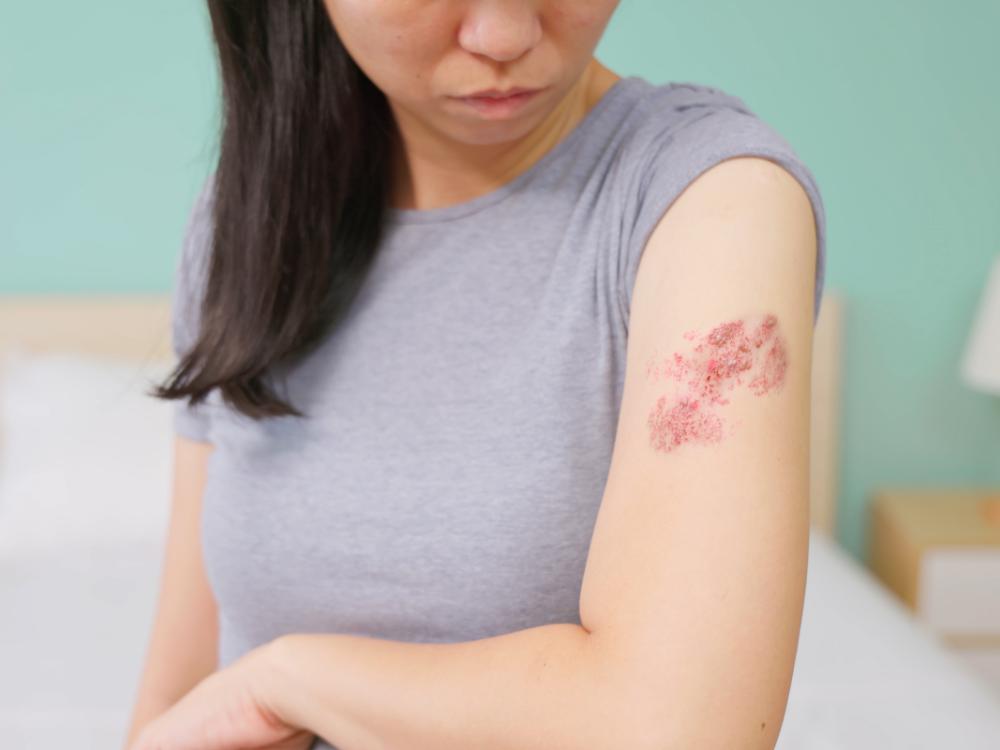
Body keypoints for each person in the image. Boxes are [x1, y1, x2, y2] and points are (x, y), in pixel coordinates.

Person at [127, 1, 827, 748]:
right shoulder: (249, 220)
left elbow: (679, 730)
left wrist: (286, 683)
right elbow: (177, 695)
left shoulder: (712, 203)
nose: (504, 35)